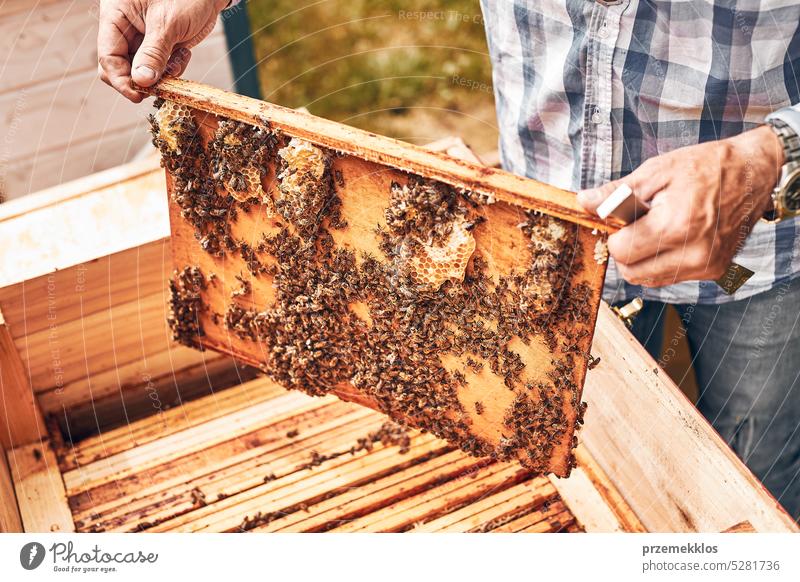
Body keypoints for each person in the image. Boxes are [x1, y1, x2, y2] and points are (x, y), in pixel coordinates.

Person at [98, 0, 800, 520]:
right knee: (589, 460)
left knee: (758, 484)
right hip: (535, 255)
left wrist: (772, 158)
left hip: (766, 243)